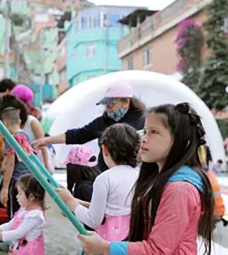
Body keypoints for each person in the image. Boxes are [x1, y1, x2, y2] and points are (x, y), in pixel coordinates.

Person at [77, 102, 214, 255]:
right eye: (145, 131)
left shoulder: (179, 189)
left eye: (154, 132)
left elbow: (159, 250)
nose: (143, 139)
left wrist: (106, 247)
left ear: (179, 140)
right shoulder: (160, 179)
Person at [33, 81, 145, 173]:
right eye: (106, 106)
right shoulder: (103, 122)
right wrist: (47, 140)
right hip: (104, 173)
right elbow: (78, 135)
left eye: (111, 105)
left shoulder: (143, 120)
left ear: (126, 101)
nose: (108, 109)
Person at [57, 124, 139, 241]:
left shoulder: (104, 179)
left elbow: (93, 221)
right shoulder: (138, 175)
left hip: (108, 242)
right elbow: (115, 208)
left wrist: (70, 201)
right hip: (131, 239)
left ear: (105, 149)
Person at [0, 174, 46, 254]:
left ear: (31, 197)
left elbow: (19, 233)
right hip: (18, 248)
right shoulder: (24, 209)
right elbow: (11, 224)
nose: (17, 196)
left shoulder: (35, 216)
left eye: (20, 194)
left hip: (28, 251)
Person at [0, 94, 52, 174]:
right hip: (17, 167)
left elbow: (43, 145)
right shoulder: (9, 128)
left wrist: (47, 166)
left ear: (18, 112)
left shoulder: (32, 122)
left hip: (35, 164)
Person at [0, 107, 33, 219]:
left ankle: (15, 235)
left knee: (15, 215)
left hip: (17, 181)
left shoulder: (11, 138)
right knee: (26, 212)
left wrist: (4, 188)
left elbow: (11, 165)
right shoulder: (27, 136)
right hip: (29, 178)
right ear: (19, 121)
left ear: (5, 123)